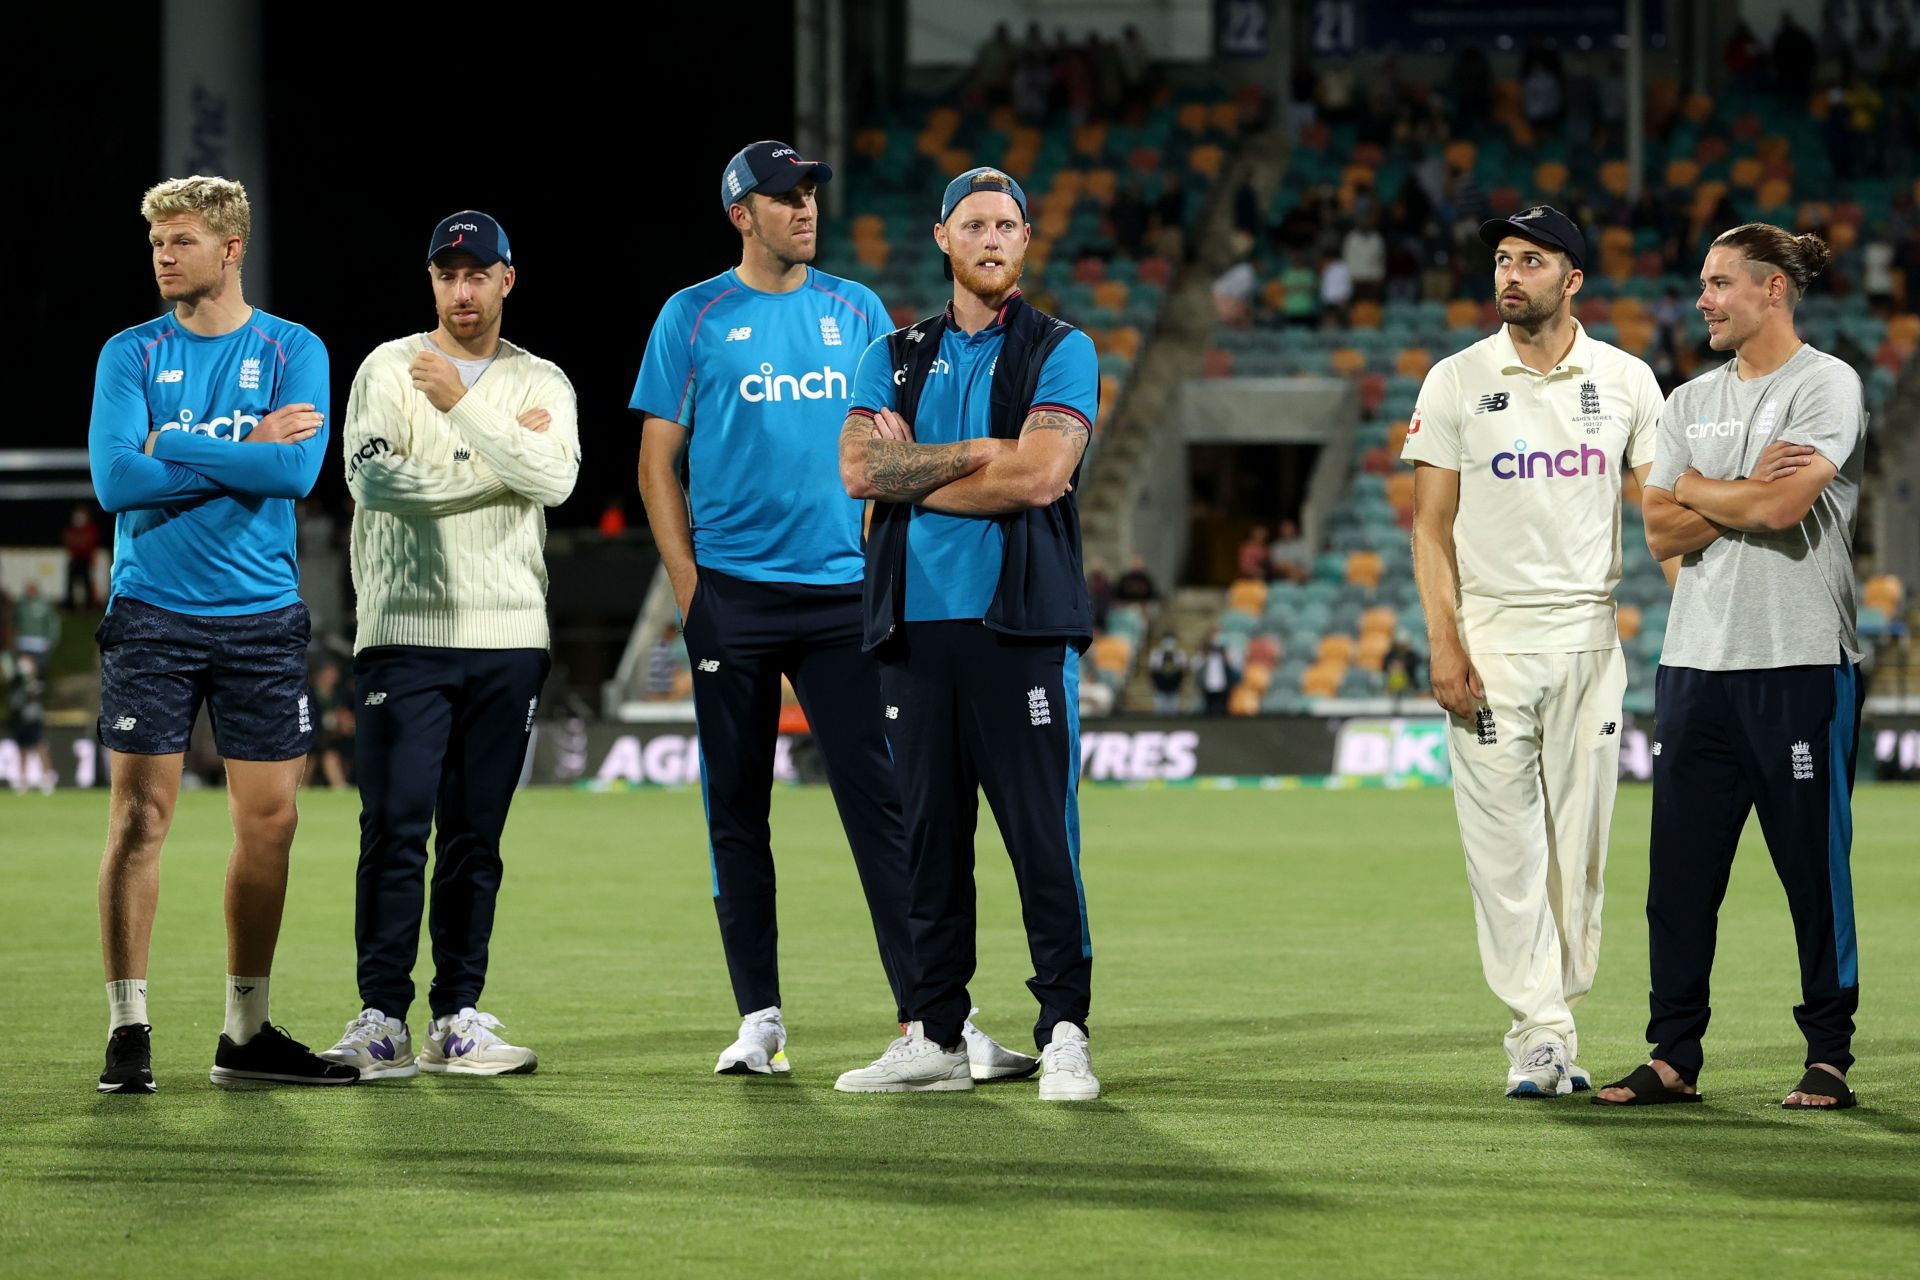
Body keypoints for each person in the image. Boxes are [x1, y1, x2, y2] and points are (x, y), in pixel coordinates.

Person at [632, 143, 1034, 1082]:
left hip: (844, 596)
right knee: (737, 810)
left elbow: (888, 444)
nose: (804, 209)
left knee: (890, 811)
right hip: (731, 595)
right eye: (782, 198)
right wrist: (692, 592)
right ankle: (759, 1020)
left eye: (809, 194)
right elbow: (658, 463)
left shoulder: (855, 309)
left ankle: (927, 1020)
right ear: (742, 214)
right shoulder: (690, 316)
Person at [834, 165, 1102, 1101]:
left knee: (1039, 837)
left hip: (1019, 629)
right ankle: (938, 1036)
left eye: (1008, 225)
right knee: (929, 844)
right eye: (974, 224)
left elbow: (1037, 478)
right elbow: (861, 471)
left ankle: (1064, 1028)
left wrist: (923, 467)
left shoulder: (1063, 348)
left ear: (1026, 243)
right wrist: (983, 452)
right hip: (911, 628)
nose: (992, 238)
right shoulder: (892, 352)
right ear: (944, 239)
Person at [88, 174, 353, 1093]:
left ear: (232, 248)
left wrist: (176, 445)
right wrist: (245, 455)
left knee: (270, 822)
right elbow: (116, 485)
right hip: (152, 611)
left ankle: (244, 1034)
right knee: (139, 819)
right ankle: (130, 1029)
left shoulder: (294, 347)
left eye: (182, 240)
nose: (163, 255)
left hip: (260, 616)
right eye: (157, 241)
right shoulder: (129, 353)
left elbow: (299, 471)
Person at [1596, 226, 1868, 1111]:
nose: (1702, 299)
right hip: (1694, 664)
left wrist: (1704, 489)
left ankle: (1828, 1054)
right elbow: (1660, 531)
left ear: (1773, 290)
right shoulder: (1685, 400)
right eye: (1702, 284)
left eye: (1717, 284)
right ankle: (1673, 1056)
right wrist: (1738, 487)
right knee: (1677, 876)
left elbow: (1786, 506)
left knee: (1811, 872)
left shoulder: (1826, 384)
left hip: (1797, 665)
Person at [1401, 204, 1665, 1099]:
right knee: (1503, 854)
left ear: (1573, 279)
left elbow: (1664, 515)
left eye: (1533, 260)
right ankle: (1541, 1034)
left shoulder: (1627, 380)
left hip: (1591, 640)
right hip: (1491, 643)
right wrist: (1445, 642)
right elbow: (1430, 529)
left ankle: (1556, 1006)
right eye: (1504, 261)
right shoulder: (1455, 380)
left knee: (1579, 852)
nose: (1511, 275)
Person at [322, 210, 579, 1081]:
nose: (461, 291)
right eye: (447, 275)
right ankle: (382, 1018)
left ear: (509, 278)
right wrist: (497, 467)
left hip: (509, 638)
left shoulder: (542, 377)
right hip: (404, 633)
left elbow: (557, 478)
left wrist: (462, 406)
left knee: (475, 838)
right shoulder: (387, 368)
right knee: (393, 829)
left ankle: (457, 1017)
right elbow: (373, 481)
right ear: (432, 281)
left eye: (477, 274)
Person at [8, 652, 52, 792]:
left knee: (39, 747)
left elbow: (41, 694)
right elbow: (13, 699)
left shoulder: (39, 679)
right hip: (20, 720)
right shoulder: (16, 680)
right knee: (22, 750)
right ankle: (23, 780)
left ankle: (47, 779)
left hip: (34, 719)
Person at [62, 506, 101, 610]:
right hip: (75, 559)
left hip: (85, 559)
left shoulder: (90, 528)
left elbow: (90, 542)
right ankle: (70, 604)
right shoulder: (72, 529)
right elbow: (69, 540)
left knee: (87, 582)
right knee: (70, 582)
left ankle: (89, 604)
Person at [12, 582, 59, 660]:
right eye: (28, 589)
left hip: (40, 644)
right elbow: (16, 622)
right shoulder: (21, 605)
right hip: (24, 643)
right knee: (24, 669)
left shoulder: (45, 605)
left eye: (32, 589)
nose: (30, 592)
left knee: (39, 667)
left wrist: (51, 640)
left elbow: (53, 623)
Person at [1195, 634, 1237, 716]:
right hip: (1208, 687)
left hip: (1223, 687)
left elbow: (1233, 666)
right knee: (1209, 709)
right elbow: (1197, 667)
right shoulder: (1204, 657)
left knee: (1224, 709)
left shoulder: (1225, 655)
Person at [1148, 636, 1188, 714]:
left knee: (1173, 711)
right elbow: (1153, 671)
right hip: (1160, 687)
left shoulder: (1179, 655)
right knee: (1160, 710)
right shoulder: (1156, 654)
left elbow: (1183, 671)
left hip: (1174, 687)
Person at [1267, 518, 1310, 583]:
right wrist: (1289, 568)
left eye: (1289, 529)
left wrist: (1297, 570)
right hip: (1282, 576)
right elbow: (1275, 564)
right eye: (1284, 529)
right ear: (1281, 531)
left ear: (1294, 530)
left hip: (1301, 576)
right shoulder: (1276, 546)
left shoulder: (1302, 545)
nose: (1286, 531)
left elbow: (1308, 564)